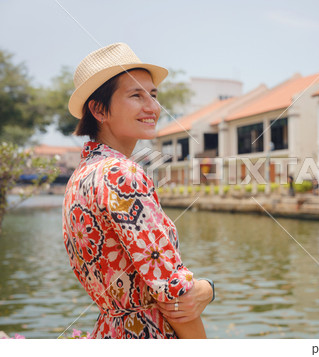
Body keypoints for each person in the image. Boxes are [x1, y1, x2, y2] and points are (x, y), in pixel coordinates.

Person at [62, 43, 214, 339]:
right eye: (136, 95)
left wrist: (206, 289)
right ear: (98, 109)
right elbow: (173, 293)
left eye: (153, 95)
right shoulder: (121, 174)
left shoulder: (80, 177)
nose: (153, 107)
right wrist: (206, 289)